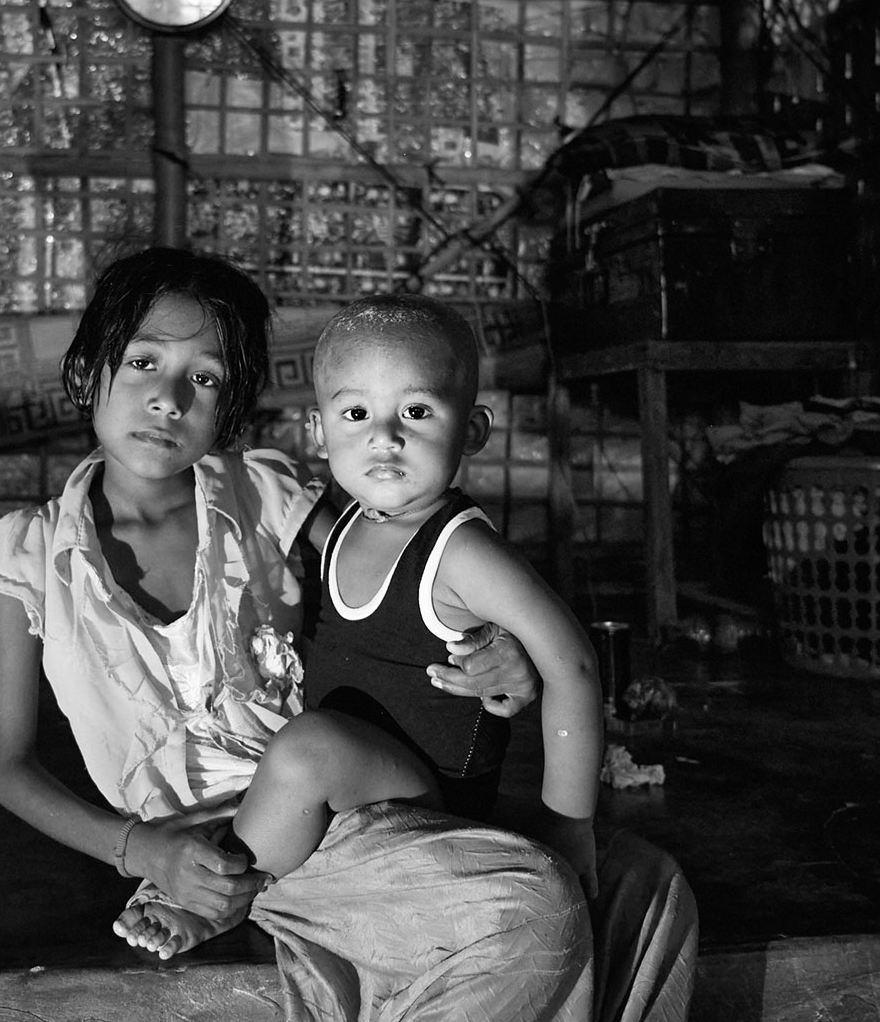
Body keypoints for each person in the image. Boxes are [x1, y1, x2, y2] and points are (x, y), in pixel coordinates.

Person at [0, 247, 695, 1021]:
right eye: (144, 361)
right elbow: (7, 766)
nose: (168, 398)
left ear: (232, 405)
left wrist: (501, 649)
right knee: (536, 909)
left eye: (206, 377)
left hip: (351, 803)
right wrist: (137, 849)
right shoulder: (29, 554)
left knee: (647, 884)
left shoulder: (267, 494)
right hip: (206, 859)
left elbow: (402, 569)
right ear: (89, 372)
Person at [224, 293, 602, 896]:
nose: (385, 437)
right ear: (318, 432)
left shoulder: (463, 552)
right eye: (356, 415)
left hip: (432, 804)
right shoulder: (346, 523)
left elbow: (575, 666)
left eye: (418, 411)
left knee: (305, 750)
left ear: (472, 429)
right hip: (358, 789)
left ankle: (233, 891)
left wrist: (569, 825)